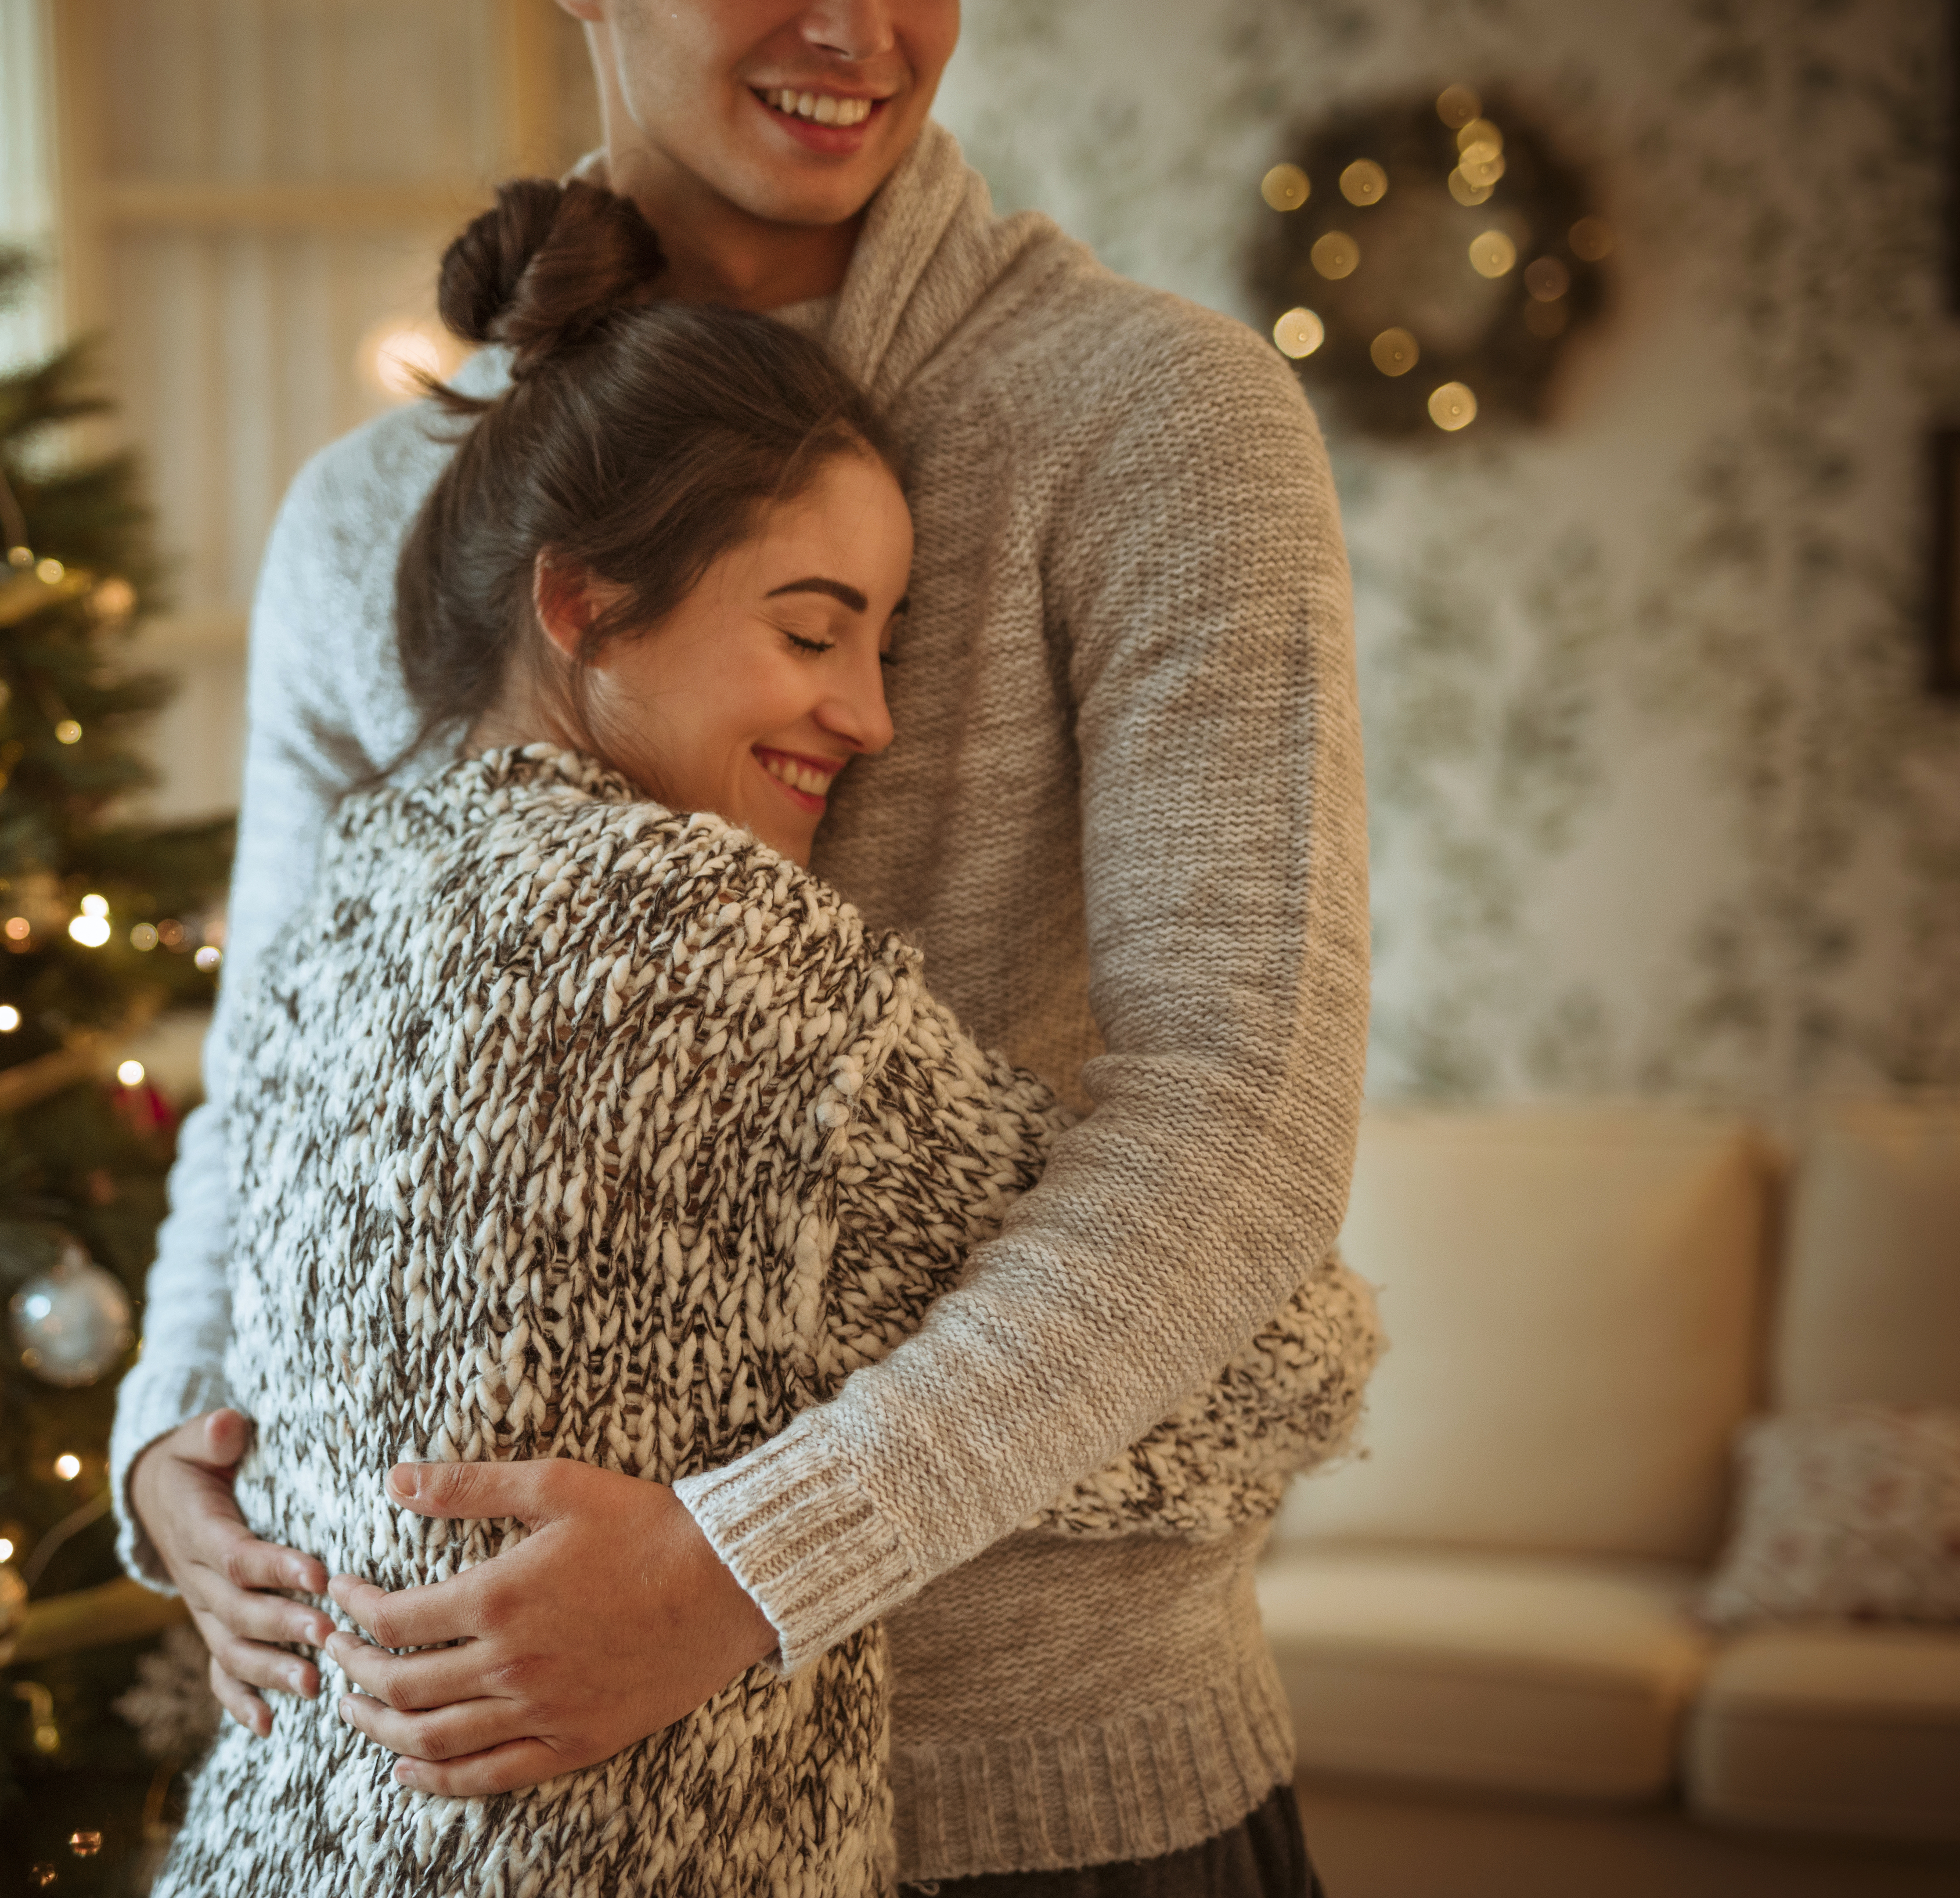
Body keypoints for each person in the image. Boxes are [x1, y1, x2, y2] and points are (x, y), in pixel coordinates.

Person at [115, 1, 1376, 1890]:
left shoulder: (1156, 423)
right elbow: (273, 1075)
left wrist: (756, 1560)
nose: (855, 26)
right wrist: (161, 1451)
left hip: (1045, 1781)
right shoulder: (368, 519)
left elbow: (1242, 1111)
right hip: (519, 1820)